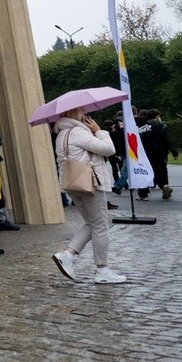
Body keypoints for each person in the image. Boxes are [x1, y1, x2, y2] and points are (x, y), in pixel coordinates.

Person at [50, 112, 126, 283]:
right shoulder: (78, 132)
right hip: (90, 183)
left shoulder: (61, 134)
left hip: (72, 184)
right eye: (82, 110)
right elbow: (109, 149)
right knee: (101, 225)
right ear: (75, 112)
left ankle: (68, 255)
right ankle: (102, 269)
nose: (86, 113)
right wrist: (99, 131)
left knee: (94, 223)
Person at [135, 109, 171, 201]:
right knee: (156, 170)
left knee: (143, 172)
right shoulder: (151, 125)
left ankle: (143, 193)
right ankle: (164, 185)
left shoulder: (136, 127)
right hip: (156, 150)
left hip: (144, 152)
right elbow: (159, 137)